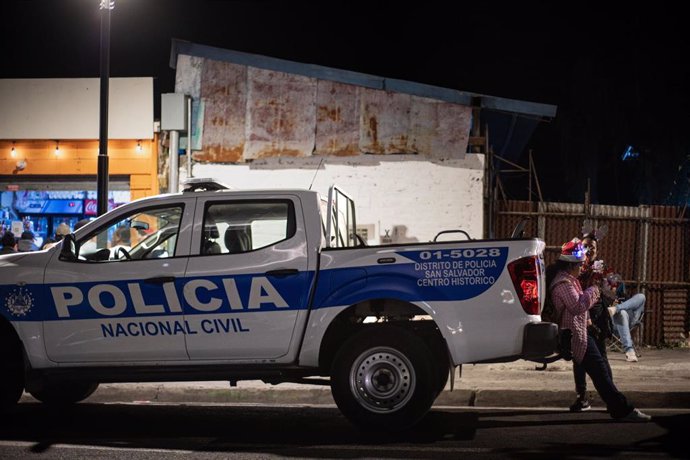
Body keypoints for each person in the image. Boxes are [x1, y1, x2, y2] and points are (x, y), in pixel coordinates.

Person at [547, 238, 650, 422]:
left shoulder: (570, 280)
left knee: (600, 372)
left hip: (582, 334)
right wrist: (595, 290)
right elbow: (578, 306)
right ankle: (622, 410)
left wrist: (589, 323)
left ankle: (619, 408)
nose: (581, 267)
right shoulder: (563, 284)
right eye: (579, 264)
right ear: (571, 264)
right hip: (576, 337)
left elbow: (580, 308)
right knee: (601, 374)